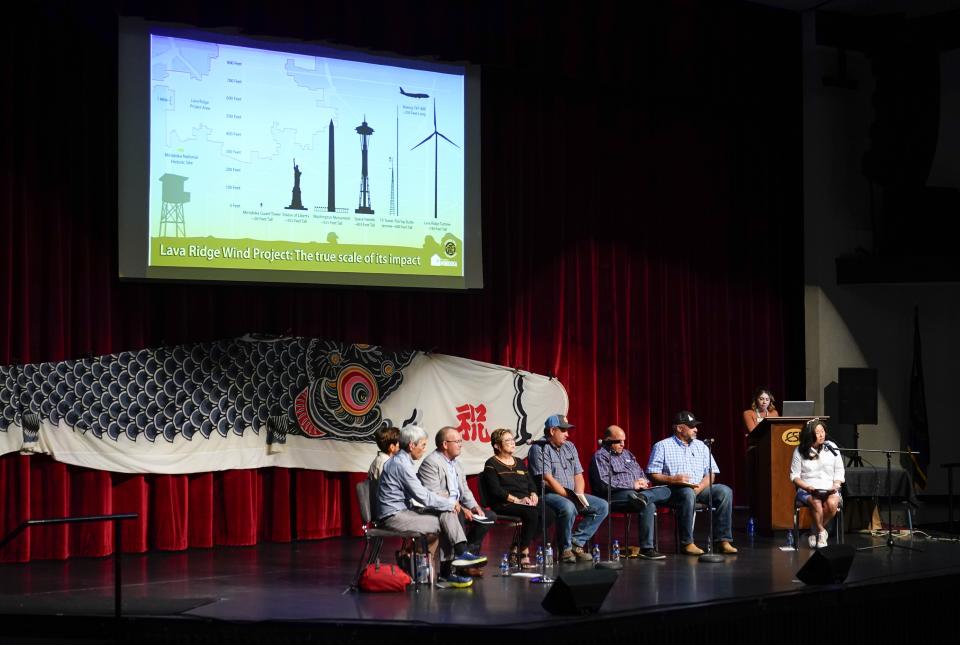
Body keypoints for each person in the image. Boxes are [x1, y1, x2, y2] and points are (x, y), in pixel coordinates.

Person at [376, 425, 486, 587]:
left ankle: (458, 556)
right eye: (423, 445)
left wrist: (450, 504)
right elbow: (423, 496)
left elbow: (422, 496)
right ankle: (452, 566)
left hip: (406, 510)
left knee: (446, 511)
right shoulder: (401, 464)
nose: (424, 449)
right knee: (444, 519)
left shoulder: (403, 461)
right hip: (393, 516)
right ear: (412, 445)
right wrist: (450, 503)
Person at [647, 411, 737, 555]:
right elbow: (652, 473)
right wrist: (673, 479)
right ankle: (687, 543)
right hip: (674, 490)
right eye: (691, 426)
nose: (696, 429)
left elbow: (711, 473)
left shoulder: (701, 446)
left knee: (724, 491)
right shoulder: (662, 446)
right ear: (679, 428)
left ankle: (722, 540)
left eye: (695, 426)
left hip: (699, 488)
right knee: (688, 493)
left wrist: (700, 487)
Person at [528, 414, 608, 563]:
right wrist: (570, 497)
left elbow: (578, 474)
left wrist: (579, 494)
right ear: (552, 431)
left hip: (571, 493)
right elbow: (548, 479)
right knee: (569, 507)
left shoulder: (570, 446)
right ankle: (564, 550)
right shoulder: (539, 448)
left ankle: (576, 543)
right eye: (563, 430)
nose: (567, 434)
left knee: (602, 506)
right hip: (548, 494)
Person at [418, 426, 497, 574]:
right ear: (445, 444)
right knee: (456, 513)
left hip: (456, 506)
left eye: (461, 441)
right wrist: (461, 507)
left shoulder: (457, 464)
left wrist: (473, 506)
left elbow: (465, 489)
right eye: (457, 441)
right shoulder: (431, 462)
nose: (460, 444)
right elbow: (434, 494)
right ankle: (457, 563)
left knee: (489, 516)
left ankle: (467, 556)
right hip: (438, 507)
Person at [589, 425, 669, 560]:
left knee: (666, 490)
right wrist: (632, 484)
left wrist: (643, 482)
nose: (622, 444)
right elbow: (604, 483)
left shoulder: (627, 454)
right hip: (613, 496)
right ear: (608, 441)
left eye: (624, 441)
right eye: (618, 441)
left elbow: (640, 473)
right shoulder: (601, 456)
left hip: (637, 493)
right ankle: (647, 548)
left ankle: (643, 497)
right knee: (648, 504)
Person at [481, 428, 541, 567]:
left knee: (548, 512)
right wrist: (517, 500)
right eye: (507, 440)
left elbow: (531, 483)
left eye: (513, 439)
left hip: (524, 502)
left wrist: (533, 494)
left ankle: (516, 545)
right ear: (497, 445)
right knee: (532, 513)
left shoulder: (519, 462)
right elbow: (496, 491)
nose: (513, 443)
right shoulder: (491, 463)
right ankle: (524, 550)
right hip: (504, 503)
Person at [790, 419, 844, 548]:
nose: (822, 435)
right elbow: (794, 476)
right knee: (816, 502)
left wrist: (836, 485)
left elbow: (839, 471)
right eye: (817, 432)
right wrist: (807, 487)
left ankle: (814, 531)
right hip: (808, 488)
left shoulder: (831, 447)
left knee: (832, 504)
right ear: (809, 434)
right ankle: (821, 532)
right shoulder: (799, 451)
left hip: (830, 487)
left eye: (823, 431)